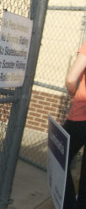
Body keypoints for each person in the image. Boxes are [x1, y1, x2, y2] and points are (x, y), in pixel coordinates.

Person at [63, 40, 86, 208]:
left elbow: (71, 79)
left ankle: (69, 204)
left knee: (60, 157)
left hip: (81, 116)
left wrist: (72, 92)